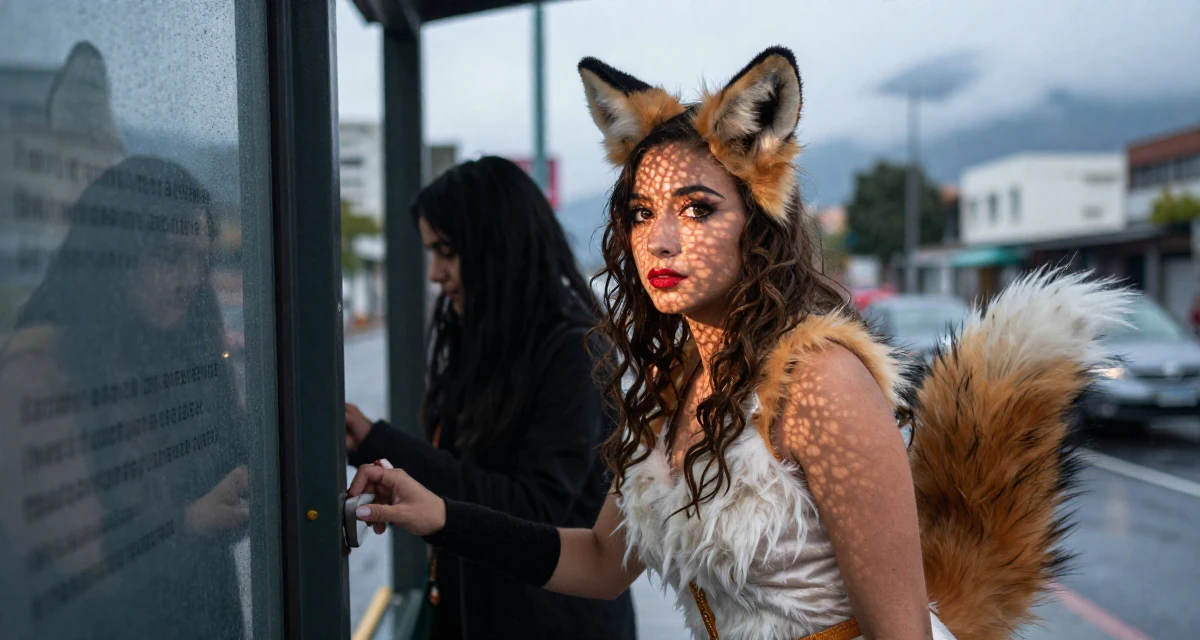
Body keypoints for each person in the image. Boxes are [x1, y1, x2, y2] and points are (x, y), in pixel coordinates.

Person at [346, 48, 1132, 640]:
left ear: (756, 218)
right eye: (642, 212)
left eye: (697, 209)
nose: (660, 239)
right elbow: (599, 562)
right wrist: (440, 514)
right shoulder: (670, 388)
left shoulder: (819, 383)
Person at [343, 156, 637, 639]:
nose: (435, 273)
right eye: (431, 252)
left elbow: (534, 510)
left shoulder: (574, 352)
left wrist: (386, 446)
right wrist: (374, 443)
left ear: (499, 246)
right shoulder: (487, 336)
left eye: (447, 251)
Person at [0, 156, 249, 639]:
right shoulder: (41, 363)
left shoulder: (160, 344)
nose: (190, 281)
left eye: (200, 260)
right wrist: (190, 523)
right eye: (169, 257)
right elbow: (71, 555)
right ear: (115, 254)